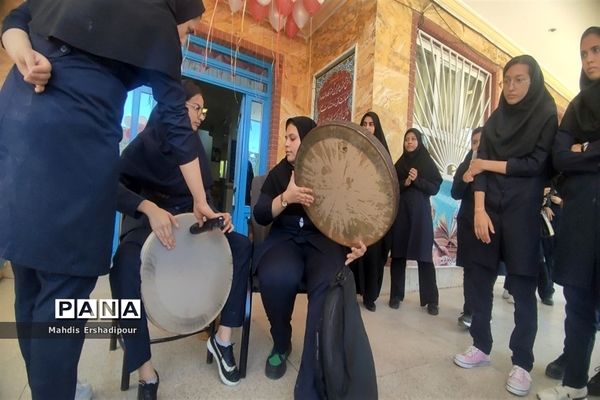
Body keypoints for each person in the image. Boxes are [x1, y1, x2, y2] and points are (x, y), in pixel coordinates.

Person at [0, 2, 217, 399]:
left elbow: (16, 19)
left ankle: (51, 385)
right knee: (62, 300)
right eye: (188, 28)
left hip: (19, 128)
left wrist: (23, 57)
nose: (185, 36)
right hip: (74, 146)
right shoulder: (156, 22)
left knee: (29, 280)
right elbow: (175, 121)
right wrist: (198, 199)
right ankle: (54, 389)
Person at [111, 80, 251, 399]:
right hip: (149, 223)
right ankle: (146, 371)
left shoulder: (195, 149)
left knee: (240, 245)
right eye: (195, 108)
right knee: (123, 266)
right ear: (174, 109)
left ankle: (223, 340)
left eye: (202, 109)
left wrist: (216, 215)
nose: (201, 116)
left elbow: (200, 198)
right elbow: (113, 186)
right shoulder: (143, 144)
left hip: (187, 223)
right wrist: (148, 208)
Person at [453, 55, 557, 397]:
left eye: (519, 80)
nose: (511, 87)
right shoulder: (496, 120)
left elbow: (535, 164)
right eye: (506, 80)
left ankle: (522, 362)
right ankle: (480, 345)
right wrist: (479, 210)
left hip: (522, 214)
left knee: (523, 288)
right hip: (490, 211)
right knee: (480, 279)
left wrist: (485, 162)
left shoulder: (544, 114)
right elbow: (478, 173)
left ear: (533, 81)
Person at [253, 116, 366, 399]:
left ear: (308, 140)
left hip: (321, 239)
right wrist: (286, 198)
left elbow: (349, 215)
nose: (287, 144)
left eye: (292, 138)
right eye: (286, 138)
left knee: (330, 282)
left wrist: (359, 241)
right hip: (286, 237)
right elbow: (261, 213)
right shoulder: (279, 173)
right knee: (276, 276)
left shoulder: (330, 172)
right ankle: (281, 342)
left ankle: (313, 376)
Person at [537, 26, 600, 400]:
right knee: (578, 303)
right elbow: (558, 156)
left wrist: (583, 150)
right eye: (584, 53)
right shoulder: (577, 106)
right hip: (578, 219)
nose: (589, 59)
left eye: (596, 50)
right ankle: (575, 384)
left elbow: (572, 155)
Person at [389, 128, 442, 315]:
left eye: (413, 139)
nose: (409, 142)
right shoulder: (400, 164)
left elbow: (435, 187)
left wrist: (417, 180)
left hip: (420, 215)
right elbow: (392, 186)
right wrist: (405, 183)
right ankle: (396, 296)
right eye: (406, 139)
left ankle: (432, 300)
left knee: (424, 257)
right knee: (398, 254)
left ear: (419, 142)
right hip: (402, 214)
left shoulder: (426, 162)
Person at [350, 111, 392, 312]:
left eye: (371, 124)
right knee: (353, 249)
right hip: (355, 208)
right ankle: (351, 291)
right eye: (364, 124)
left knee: (373, 254)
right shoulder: (354, 149)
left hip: (375, 213)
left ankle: (370, 296)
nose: (367, 128)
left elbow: (388, 184)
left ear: (377, 128)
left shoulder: (383, 152)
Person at [451, 127, 482, 329]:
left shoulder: (492, 165)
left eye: (481, 141)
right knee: (469, 269)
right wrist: (464, 179)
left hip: (487, 224)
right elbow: (455, 193)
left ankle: (480, 310)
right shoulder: (465, 165)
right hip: (467, 224)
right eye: (474, 142)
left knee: (483, 269)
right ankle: (469, 310)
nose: (477, 146)